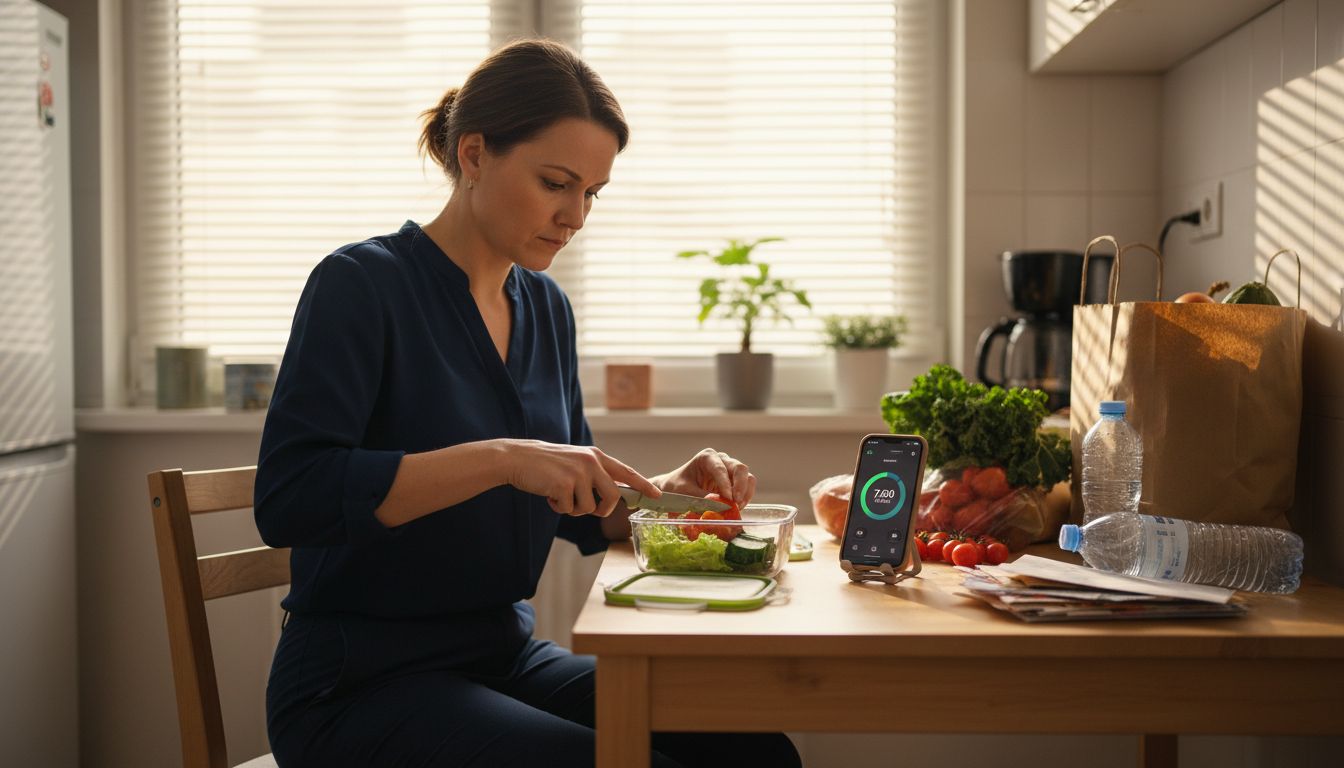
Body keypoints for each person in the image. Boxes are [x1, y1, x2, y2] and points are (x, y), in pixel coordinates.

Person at [254, 39, 801, 768]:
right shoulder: (361, 285)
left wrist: (665, 490)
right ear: (474, 155)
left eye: (592, 192)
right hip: (357, 682)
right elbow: (290, 499)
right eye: (555, 183)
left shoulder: (545, 307)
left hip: (502, 656)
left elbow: (580, 508)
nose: (575, 215)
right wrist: (504, 460)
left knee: (756, 755)